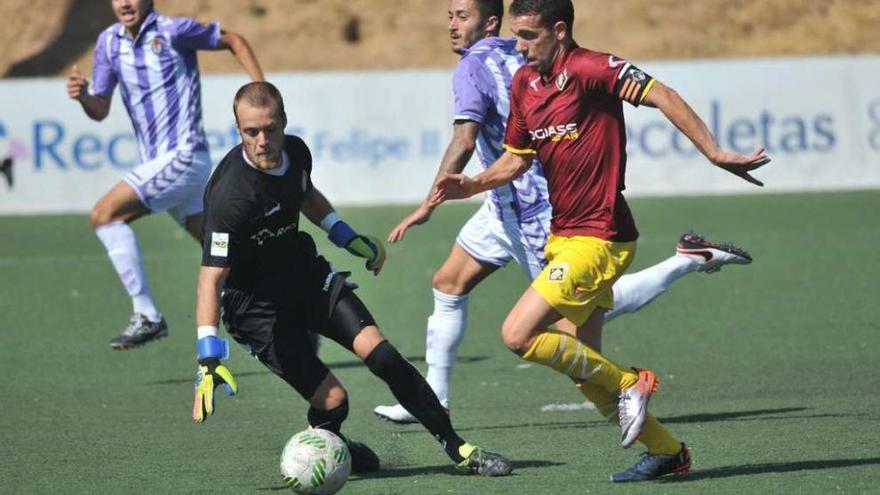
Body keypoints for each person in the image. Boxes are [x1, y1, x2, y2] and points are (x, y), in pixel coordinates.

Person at [430, 0, 770, 482]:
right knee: (579, 363)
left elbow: (662, 94)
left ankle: (632, 381)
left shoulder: (593, 68)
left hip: (603, 235)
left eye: (529, 36)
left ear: (560, 31)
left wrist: (714, 152)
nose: (519, 46)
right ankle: (668, 451)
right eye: (516, 35)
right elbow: (515, 159)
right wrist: (472, 184)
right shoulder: (526, 83)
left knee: (517, 334)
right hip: (563, 237)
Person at [191, 81, 513, 478]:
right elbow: (211, 279)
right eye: (251, 132)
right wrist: (208, 353)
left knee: (384, 357)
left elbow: (305, 195)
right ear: (238, 130)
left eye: (270, 128)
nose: (262, 141)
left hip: (304, 276)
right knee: (334, 404)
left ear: (284, 123)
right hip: (256, 309)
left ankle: (458, 448)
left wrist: (345, 236)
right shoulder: (229, 197)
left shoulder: (295, 151)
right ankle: (330, 440)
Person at [66, 0, 264, 350]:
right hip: (169, 169)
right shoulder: (109, 43)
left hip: (183, 156)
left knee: (104, 216)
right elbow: (100, 109)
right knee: (224, 250)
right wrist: (83, 97)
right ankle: (283, 307)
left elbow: (234, 39)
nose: (125, 3)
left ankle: (147, 315)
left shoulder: (174, 31)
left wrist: (263, 91)